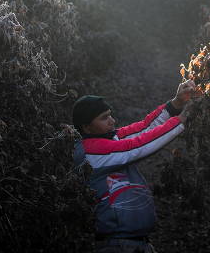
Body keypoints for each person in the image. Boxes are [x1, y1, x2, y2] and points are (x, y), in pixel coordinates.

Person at [72, 80, 199, 253]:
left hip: (135, 243)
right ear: (86, 127)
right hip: (116, 245)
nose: (112, 121)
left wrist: (176, 103)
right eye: (104, 118)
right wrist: (181, 120)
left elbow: (145, 128)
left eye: (110, 114)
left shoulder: (110, 138)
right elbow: (136, 146)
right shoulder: (89, 152)